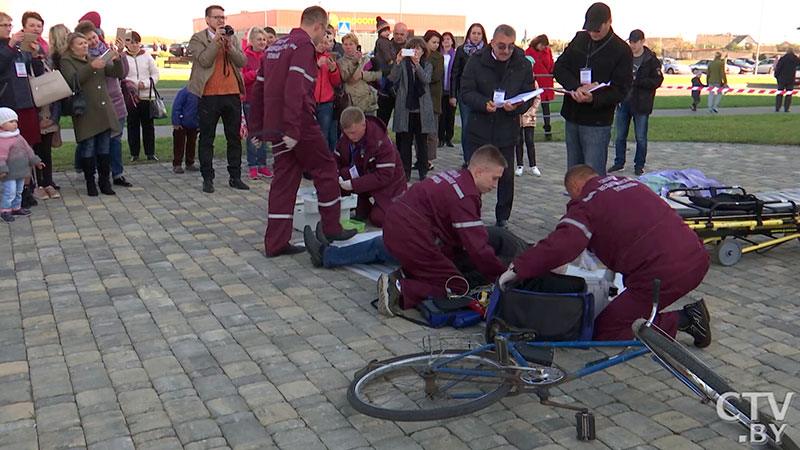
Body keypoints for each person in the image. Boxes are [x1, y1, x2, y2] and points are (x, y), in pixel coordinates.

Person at [501, 165, 712, 347]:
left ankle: (687, 319)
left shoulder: (587, 201)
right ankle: (670, 315)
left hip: (662, 272)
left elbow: (564, 243)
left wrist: (520, 267)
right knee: (628, 306)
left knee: (608, 330)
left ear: (575, 187)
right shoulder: (630, 184)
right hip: (695, 255)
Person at [248, 6, 356, 257]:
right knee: (326, 168)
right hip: (298, 123)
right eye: (325, 31)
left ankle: (275, 243)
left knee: (284, 182)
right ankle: (331, 228)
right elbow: (298, 88)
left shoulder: (276, 46)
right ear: (318, 26)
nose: (324, 37)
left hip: (275, 125)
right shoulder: (303, 47)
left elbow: (259, 89)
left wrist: (256, 127)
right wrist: (295, 129)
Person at [377, 145, 509, 316]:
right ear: (479, 172)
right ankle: (401, 289)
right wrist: (501, 276)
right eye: (494, 178)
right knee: (457, 285)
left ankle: (407, 274)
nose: (495, 185)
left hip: (397, 225)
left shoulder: (456, 177)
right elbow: (478, 248)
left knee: (449, 261)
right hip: (411, 235)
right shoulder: (466, 195)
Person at [460, 25, 534, 228]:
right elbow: (465, 92)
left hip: (507, 128)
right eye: (502, 46)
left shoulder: (522, 63)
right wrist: (483, 103)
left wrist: (518, 106)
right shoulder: (476, 60)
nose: (506, 51)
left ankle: (503, 218)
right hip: (480, 127)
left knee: (506, 176)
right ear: (492, 42)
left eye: (511, 47)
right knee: (473, 175)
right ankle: (470, 215)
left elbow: (529, 94)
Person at [553, 2, 633, 177]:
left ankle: (594, 204)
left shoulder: (622, 50)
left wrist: (594, 98)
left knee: (593, 175)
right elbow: (559, 68)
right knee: (574, 174)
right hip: (573, 115)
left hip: (597, 121)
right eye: (589, 29)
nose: (592, 33)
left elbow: (622, 89)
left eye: (597, 29)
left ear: (609, 22)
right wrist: (575, 87)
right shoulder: (580, 39)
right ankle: (575, 204)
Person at [187, 5, 249, 193]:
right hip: (208, 95)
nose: (221, 21)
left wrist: (230, 46)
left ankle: (235, 176)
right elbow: (204, 60)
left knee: (234, 138)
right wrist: (215, 42)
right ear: (207, 20)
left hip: (231, 94)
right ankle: (208, 178)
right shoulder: (198, 39)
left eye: (223, 17)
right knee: (207, 138)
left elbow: (243, 61)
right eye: (216, 18)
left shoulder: (232, 37)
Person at [57, 32, 124, 196]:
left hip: (103, 109)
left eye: (85, 43)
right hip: (85, 110)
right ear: (71, 47)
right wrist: (91, 67)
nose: (85, 45)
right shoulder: (67, 61)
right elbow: (73, 80)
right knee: (88, 146)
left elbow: (117, 73)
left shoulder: (94, 57)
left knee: (104, 146)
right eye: (80, 43)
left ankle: (104, 181)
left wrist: (117, 58)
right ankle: (90, 182)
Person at [334, 106, 406, 227]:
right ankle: (362, 205)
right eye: (346, 133)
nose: (350, 136)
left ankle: (396, 209)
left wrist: (353, 184)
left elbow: (384, 176)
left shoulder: (382, 142)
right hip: (362, 175)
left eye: (353, 132)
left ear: (364, 125)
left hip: (389, 185)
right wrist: (334, 174)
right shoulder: (345, 136)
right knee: (331, 181)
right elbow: (336, 158)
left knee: (380, 219)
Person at [0, 11, 42, 209]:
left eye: (10, 25)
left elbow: (30, 71)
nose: (9, 29)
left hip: (25, 102)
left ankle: (25, 190)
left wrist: (33, 54)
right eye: (4, 25)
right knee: (8, 151)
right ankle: (7, 194)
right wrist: (10, 47)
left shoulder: (17, 46)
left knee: (26, 148)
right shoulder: (8, 47)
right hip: (7, 105)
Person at [84, 24, 134, 188]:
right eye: (88, 39)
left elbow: (122, 73)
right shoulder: (83, 57)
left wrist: (119, 55)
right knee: (98, 142)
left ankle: (118, 174)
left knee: (116, 140)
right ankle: (98, 175)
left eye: (94, 37)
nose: (92, 42)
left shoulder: (108, 50)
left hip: (116, 101)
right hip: (97, 104)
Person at [608, 29, 663, 176]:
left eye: (635, 42)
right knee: (619, 136)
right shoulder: (624, 57)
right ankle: (619, 162)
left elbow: (657, 80)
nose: (632, 45)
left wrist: (638, 82)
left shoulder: (651, 59)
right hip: (623, 101)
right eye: (631, 42)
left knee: (641, 137)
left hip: (641, 103)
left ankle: (639, 165)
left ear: (642, 41)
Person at [389, 37, 435, 181]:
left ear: (423, 51)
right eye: (412, 48)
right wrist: (397, 62)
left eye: (419, 49)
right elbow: (393, 78)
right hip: (406, 108)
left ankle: (423, 170)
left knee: (422, 143)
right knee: (405, 143)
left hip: (422, 110)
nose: (416, 51)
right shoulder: (403, 64)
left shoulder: (427, 65)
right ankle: (405, 171)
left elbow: (426, 79)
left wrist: (417, 66)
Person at [26, 14, 61, 200]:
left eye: (39, 26)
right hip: (31, 113)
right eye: (32, 25)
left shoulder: (45, 53)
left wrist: (53, 118)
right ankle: (35, 184)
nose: (36, 29)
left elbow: (52, 85)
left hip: (49, 110)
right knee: (32, 151)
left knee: (46, 151)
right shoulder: (18, 53)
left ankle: (48, 182)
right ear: (24, 27)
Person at [450, 23, 487, 166]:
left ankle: (480, 158)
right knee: (467, 126)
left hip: (482, 94)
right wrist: (453, 95)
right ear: (469, 35)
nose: (476, 36)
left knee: (481, 127)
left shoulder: (487, 50)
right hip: (465, 94)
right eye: (473, 33)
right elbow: (455, 73)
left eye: (479, 33)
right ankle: (468, 159)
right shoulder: (461, 50)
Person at [121, 30, 159, 161]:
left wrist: (146, 83)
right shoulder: (123, 57)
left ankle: (150, 153)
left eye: (136, 42)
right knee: (133, 125)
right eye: (131, 42)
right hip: (131, 97)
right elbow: (122, 76)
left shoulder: (147, 57)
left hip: (147, 96)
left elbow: (155, 74)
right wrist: (134, 84)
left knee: (148, 125)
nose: (134, 45)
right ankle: (134, 154)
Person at [0, 108, 44, 222]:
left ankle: (16, 207)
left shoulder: (18, 136)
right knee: (10, 191)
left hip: (21, 170)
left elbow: (28, 150)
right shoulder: (2, 140)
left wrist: (36, 161)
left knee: (19, 190)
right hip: (9, 172)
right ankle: (5, 210)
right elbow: (1, 157)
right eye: (11, 122)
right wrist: (2, 169)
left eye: (16, 122)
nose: (15, 124)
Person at [241, 26, 273, 179]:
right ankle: (252, 165)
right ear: (251, 41)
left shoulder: (269, 55)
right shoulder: (245, 56)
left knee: (264, 132)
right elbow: (242, 79)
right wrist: (256, 73)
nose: (262, 42)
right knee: (253, 134)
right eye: (259, 39)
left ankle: (262, 164)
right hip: (250, 99)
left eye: (264, 39)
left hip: (266, 99)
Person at [337, 33, 382, 115]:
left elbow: (378, 75)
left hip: (368, 100)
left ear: (356, 45)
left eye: (351, 44)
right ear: (342, 46)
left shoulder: (365, 59)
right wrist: (354, 63)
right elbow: (345, 77)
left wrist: (363, 75)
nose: (348, 47)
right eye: (345, 44)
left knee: (370, 126)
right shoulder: (340, 63)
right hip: (353, 102)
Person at [314, 30, 342, 152]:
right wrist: (316, 66)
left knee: (324, 135)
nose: (322, 45)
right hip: (310, 101)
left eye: (325, 43)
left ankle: (325, 163)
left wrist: (333, 70)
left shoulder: (329, 58)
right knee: (310, 135)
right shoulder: (308, 58)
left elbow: (336, 82)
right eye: (320, 42)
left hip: (326, 102)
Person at [376, 21, 408, 125]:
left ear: (406, 34)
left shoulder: (411, 48)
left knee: (402, 124)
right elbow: (378, 64)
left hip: (403, 90)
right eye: (396, 33)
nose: (398, 36)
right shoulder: (385, 45)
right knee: (381, 121)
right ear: (393, 33)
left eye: (402, 34)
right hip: (386, 90)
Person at [526, 34, 555, 140]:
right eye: (542, 45)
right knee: (531, 107)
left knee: (546, 108)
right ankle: (528, 131)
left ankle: (548, 130)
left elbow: (551, 64)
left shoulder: (547, 52)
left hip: (546, 83)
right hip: (534, 83)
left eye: (545, 45)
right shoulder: (529, 52)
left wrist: (552, 72)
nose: (543, 47)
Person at [516, 70, 542, 178]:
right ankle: (519, 165)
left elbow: (537, 97)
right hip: (518, 115)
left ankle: (533, 165)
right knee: (518, 140)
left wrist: (533, 109)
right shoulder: (516, 81)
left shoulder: (533, 83)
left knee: (530, 140)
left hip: (529, 115)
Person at [423, 30, 443, 171]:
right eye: (433, 42)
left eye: (437, 42)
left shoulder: (438, 58)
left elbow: (435, 76)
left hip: (433, 96)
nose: (435, 45)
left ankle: (429, 159)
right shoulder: (420, 56)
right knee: (419, 131)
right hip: (419, 97)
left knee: (432, 131)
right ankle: (420, 158)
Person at [171, 86, 199, 173]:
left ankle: (190, 163)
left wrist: (200, 123)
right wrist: (176, 122)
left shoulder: (201, 93)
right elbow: (176, 107)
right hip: (181, 124)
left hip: (194, 124)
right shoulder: (184, 92)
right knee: (179, 144)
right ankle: (177, 164)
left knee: (192, 144)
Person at [439, 32, 457, 148]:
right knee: (442, 115)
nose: (446, 41)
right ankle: (440, 138)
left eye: (448, 39)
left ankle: (449, 138)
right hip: (440, 91)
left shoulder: (455, 55)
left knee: (451, 116)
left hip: (451, 90)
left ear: (452, 41)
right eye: (444, 39)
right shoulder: (438, 55)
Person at [774, 48, 799, 112]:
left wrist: (776, 76)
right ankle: (787, 108)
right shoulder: (795, 59)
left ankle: (777, 107)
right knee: (789, 94)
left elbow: (778, 68)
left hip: (782, 78)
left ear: (787, 52)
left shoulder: (783, 59)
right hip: (791, 78)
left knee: (780, 93)